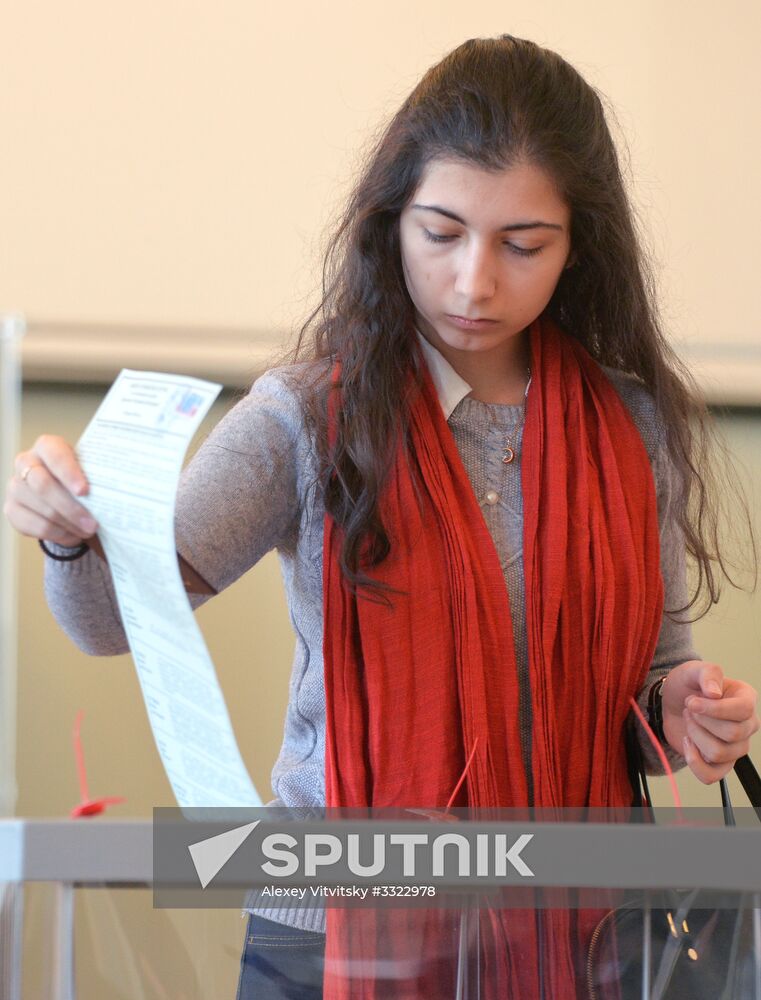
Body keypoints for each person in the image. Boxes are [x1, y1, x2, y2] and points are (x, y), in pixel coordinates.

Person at [5, 33, 760, 1000]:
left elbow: (650, 677)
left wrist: (686, 708)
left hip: (576, 936)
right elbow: (112, 621)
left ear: (580, 245)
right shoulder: (307, 416)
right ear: (390, 220)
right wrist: (68, 534)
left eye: (523, 244)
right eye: (440, 233)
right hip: (328, 932)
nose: (474, 281)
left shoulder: (630, 425)